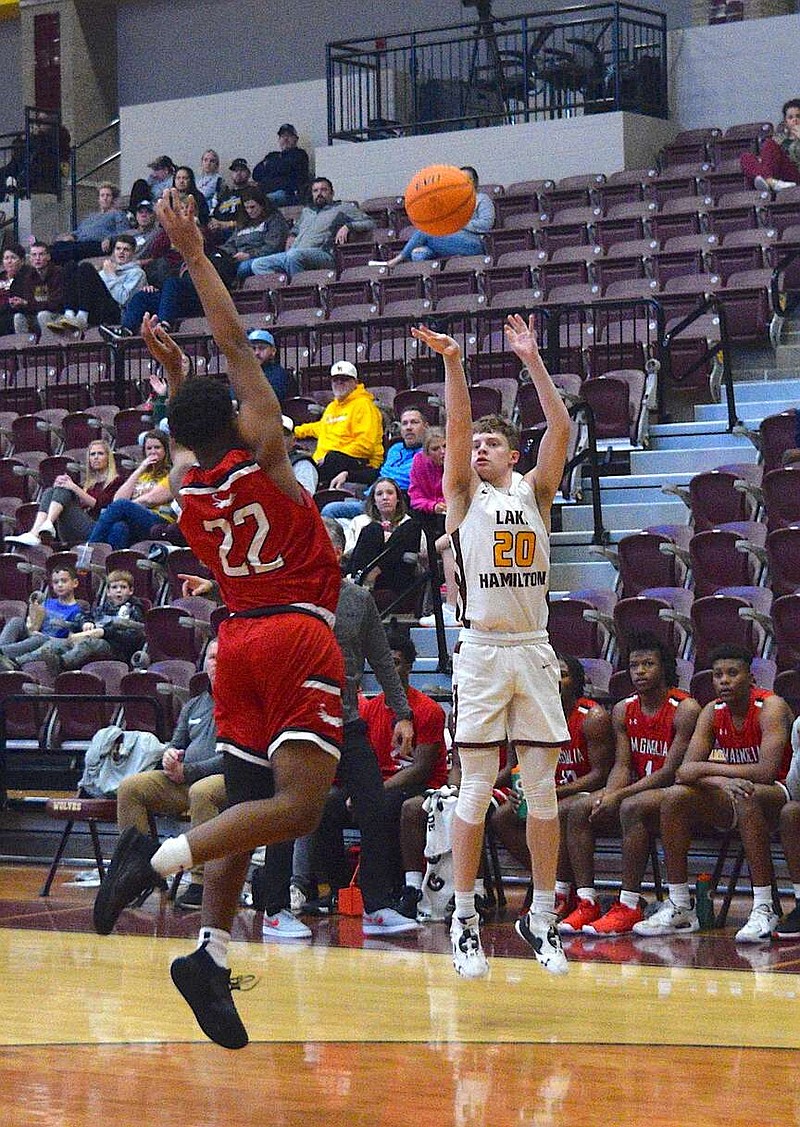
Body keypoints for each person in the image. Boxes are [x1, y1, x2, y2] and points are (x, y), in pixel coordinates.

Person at [92, 187, 345, 1052]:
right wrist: (196, 254)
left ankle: (209, 950)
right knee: (299, 809)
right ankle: (153, 858)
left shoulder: (190, 491)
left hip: (231, 643)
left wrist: (171, 376)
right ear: (235, 418)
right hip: (295, 630)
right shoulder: (267, 456)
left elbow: (192, 419)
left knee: (242, 805)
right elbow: (236, 344)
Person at [411, 314, 571, 980]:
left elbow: (560, 430)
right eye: (472, 442)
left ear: (512, 454)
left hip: (533, 648)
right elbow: (453, 430)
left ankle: (542, 916)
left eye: (489, 443)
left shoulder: (536, 490)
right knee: (475, 788)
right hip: (480, 651)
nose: (475, 447)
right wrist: (454, 364)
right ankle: (466, 918)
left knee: (541, 790)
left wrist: (532, 359)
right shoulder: (460, 495)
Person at [292, 517, 418, 935]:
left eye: (327, 543)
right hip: (301, 721)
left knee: (374, 804)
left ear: (341, 551)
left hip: (347, 719)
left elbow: (382, 660)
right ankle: (278, 903)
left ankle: (376, 905)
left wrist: (402, 714)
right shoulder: (290, 594)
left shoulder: (359, 599)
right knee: (289, 809)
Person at [633, 645, 793, 944]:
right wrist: (721, 780)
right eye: (718, 675)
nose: (724, 681)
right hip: (732, 791)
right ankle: (680, 904)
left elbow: (766, 772)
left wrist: (714, 773)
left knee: (747, 793)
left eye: (733, 673)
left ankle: (764, 906)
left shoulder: (771, 707)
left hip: (778, 794)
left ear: (751, 678)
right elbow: (684, 771)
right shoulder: (711, 710)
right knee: (675, 796)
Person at [557, 635, 699, 936]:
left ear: (665, 668)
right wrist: (608, 794)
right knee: (581, 807)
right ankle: (586, 900)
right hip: (637, 790)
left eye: (648, 664)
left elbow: (669, 772)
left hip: (676, 794)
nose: (640, 671)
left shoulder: (685, 708)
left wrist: (618, 795)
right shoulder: (623, 709)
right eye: (634, 665)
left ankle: (629, 903)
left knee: (631, 806)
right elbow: (622, 766)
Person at [490, 653, 614, 919]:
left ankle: (564, 892)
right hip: (547, 794)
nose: (555, 678)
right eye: (549, 672)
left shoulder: (593, 717)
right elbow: (516, 767)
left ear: (577, 682)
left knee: (557, 811)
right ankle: (548, 879)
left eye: (564, 674)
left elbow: (600, 774)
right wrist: (517, 791)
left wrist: (552, 792)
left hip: (583, 792)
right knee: (502, 816)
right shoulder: (529, 714)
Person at [115, 638, 225, 912]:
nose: (217, 664)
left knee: (202, 792)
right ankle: (138, 873)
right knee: (131, 787)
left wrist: (188, 770)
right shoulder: (193, 705)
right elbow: (177, 744)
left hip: (227, 782)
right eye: (212, 658)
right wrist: (170, 757)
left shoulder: (244, 703)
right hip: (184, 780)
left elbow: (233, 758)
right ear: (204, 665)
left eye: (224, 658)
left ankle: (201, 882)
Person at [244, 176, 375, 280]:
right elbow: (296, 229)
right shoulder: (307, 210)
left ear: (332, 193)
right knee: (258, 264)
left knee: (293, 256)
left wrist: (348, 226)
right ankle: (283, 288)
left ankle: (299, 289)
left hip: (323, 254)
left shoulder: (343, 207)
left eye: (324, 190)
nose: (319, 193)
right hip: (295, 252)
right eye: (316, 190)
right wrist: (292, 236)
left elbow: (370, 222)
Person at [8, 438, 123, 547]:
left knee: (65, 488)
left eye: (100, 454)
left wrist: (73, 487)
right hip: (73, 529)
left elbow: (100, 505)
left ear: (108, 458)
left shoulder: (117, 481)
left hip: (98, 529)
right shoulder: (87, 485)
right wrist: (58, 489)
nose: (96, 457)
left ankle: (43, 527)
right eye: (92, 454)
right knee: (51, 491)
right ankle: (35, 532)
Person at [322, 407, 430, 522]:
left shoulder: (430, 453)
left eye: (414, 422)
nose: (408, 427)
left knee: (330, 510)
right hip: (370, 498)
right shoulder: (395, 448)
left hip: (394, 505)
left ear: (426, 426)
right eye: (404, 423)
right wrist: (348, 474)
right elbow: (380, 472)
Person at [30, 568, 146, 674]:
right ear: (108, 592)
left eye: (123, 587)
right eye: (114, 587)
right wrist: (87, 622)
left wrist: (104, 632)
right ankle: (19, 662)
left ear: (131, 591)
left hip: (117, 649)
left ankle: (61, 664)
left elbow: (133, 637)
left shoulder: (134, 609)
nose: (119, 591)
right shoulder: (102, 608)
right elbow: (86, 616)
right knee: (55, 644)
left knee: (88, 643)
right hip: (95, 641)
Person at [294, 360, 383, 488]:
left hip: (361, 462)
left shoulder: (364, 406)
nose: (339, 383)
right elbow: (320, 428)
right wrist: (293, 431)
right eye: (335, 380)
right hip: (327, 461)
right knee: (301, 461)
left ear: (355, 382)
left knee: (332, 458)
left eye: (344, 379)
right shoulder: (332, 407)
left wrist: (328, 456)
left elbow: (365, 446)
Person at [383, 167, 495, 268]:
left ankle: (397, 260)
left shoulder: (482, 199)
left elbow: (486, 224)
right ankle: (430, 287)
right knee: (417, 253)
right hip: (448, 240)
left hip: (474, 242)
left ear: (476, 182)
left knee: (426, 230)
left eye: (468, 179)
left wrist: (459, 223)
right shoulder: (452, 201)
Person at [88, 430, 175, 549]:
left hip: (160, 521)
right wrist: (140, 469)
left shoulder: (172, 474)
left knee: (121, 506)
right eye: (149, 448)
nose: (153, 452)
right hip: (137, 522)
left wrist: (126, 507)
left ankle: (90, 548)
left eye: (157, 447)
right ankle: (114, 564)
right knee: (119, 527)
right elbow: (117, 499)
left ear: (166, 450)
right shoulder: (142, 474)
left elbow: (150, 499)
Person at [347, 477, 422, 611]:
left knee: (412, 526)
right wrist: (381, 540)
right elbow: (349, 553)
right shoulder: (360, 521)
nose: (385, 497)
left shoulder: (408, 523)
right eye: (379, 494)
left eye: (390, 493)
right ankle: (368, 578)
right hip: (362, 574)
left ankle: (374, 572)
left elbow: (422, 553)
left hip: (395, 576)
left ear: (398, 498)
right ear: (374, 501)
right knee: (374, 529)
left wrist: (392, 540)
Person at [47, 234, 146, 333]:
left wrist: (111, 276)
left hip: (116, 313)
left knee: (86, 267)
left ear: (133, 253)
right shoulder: (106, 270)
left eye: (126, 250)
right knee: (70, 266)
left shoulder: (137, 273)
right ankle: (69, 314)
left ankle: (82, 318)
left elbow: (123, 300)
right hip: (95, 309)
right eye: (118, 249)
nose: (121, 252)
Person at [0, 563, 88, 671]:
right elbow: (33, 624)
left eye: (64, 581)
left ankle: (5, 655)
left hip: (49, 642)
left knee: (41, 638)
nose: (59, 585)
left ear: (75, 583)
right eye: (56, 582)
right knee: (16, 620)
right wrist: (33, 613)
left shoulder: (77, 610)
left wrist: (45, 637)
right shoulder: (47, 602)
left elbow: (70, 641)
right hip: (33, 636)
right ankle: (2, 653)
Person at [49, 183, 131, 264]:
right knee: (58, 245)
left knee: (68, 251)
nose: (105, 198)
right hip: (80, 242)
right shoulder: (91, 216)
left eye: (108, 195)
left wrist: (110, 239)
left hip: (98, 244)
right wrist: (72, 235)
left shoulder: (118, 214)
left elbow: (124, 234)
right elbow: (79, 231)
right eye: (102, 195)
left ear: (113, 199)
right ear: (99, 199)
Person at [220, 187, 289, 282]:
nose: (249, 211)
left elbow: (273, 246)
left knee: (243, 268)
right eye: (246, 208)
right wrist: (230, 254)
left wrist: (249, 255)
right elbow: (230, 244)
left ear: (262, 205)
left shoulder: (274, 220)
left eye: (252, 207)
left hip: (260, 259)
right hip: (237, 259)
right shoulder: (242, 223)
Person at [741, 98, 800, 192]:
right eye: (790, 117)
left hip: (795, 176)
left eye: (798, 116)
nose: (795, 120)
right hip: (778, 177)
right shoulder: (778, 139)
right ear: (785, 122)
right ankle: (770, 182)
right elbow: (769, 161)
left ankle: (768, 183)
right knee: (746, 157)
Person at [252, 123, 310, 206]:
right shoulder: (272, 155)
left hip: (287, 195)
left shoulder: (300, 154)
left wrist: (268, 165)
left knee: (258, 202)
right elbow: (256, 174)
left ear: (296, 139)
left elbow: (284, 167)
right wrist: (276, 166)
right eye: (282, 136)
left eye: (289, 135)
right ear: (279, 140)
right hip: (266, 193)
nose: (285, 139)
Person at [13, 242, 63, 335]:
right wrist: (20, 304)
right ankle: (24, 347)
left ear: (48, 257)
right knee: (18, 317)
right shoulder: (28, 277)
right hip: (37, 315)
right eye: (34, 255)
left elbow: (55, 304)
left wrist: (27, 303)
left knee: (43, 315)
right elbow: (29, 305)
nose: (37, 258)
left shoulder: (58, 273)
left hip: (58, 316)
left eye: (41, 254)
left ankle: (49, 347)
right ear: (30, 259)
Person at [206, 158, 255, 241]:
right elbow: (214, 214)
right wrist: (213, 223)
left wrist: (226, 224)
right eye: (235, 171)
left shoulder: (253, 192)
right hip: (217, 230)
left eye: (242, 170)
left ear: (249, 174)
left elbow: (253, 219)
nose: (238, 173)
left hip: (236, 231)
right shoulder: (225, 194)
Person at [247, 328, 293, 403]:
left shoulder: (279, 374)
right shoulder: (243, 373)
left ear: (273, 351)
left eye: (262, 348)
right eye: (253, 348)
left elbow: (270, 400)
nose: (256, 353)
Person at [0, 244, 34, 336]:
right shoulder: (1, 278)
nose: (9, 261)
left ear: (22, 261)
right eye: (6, 258)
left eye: (13, 258)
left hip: (19, 314)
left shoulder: (29, 277)